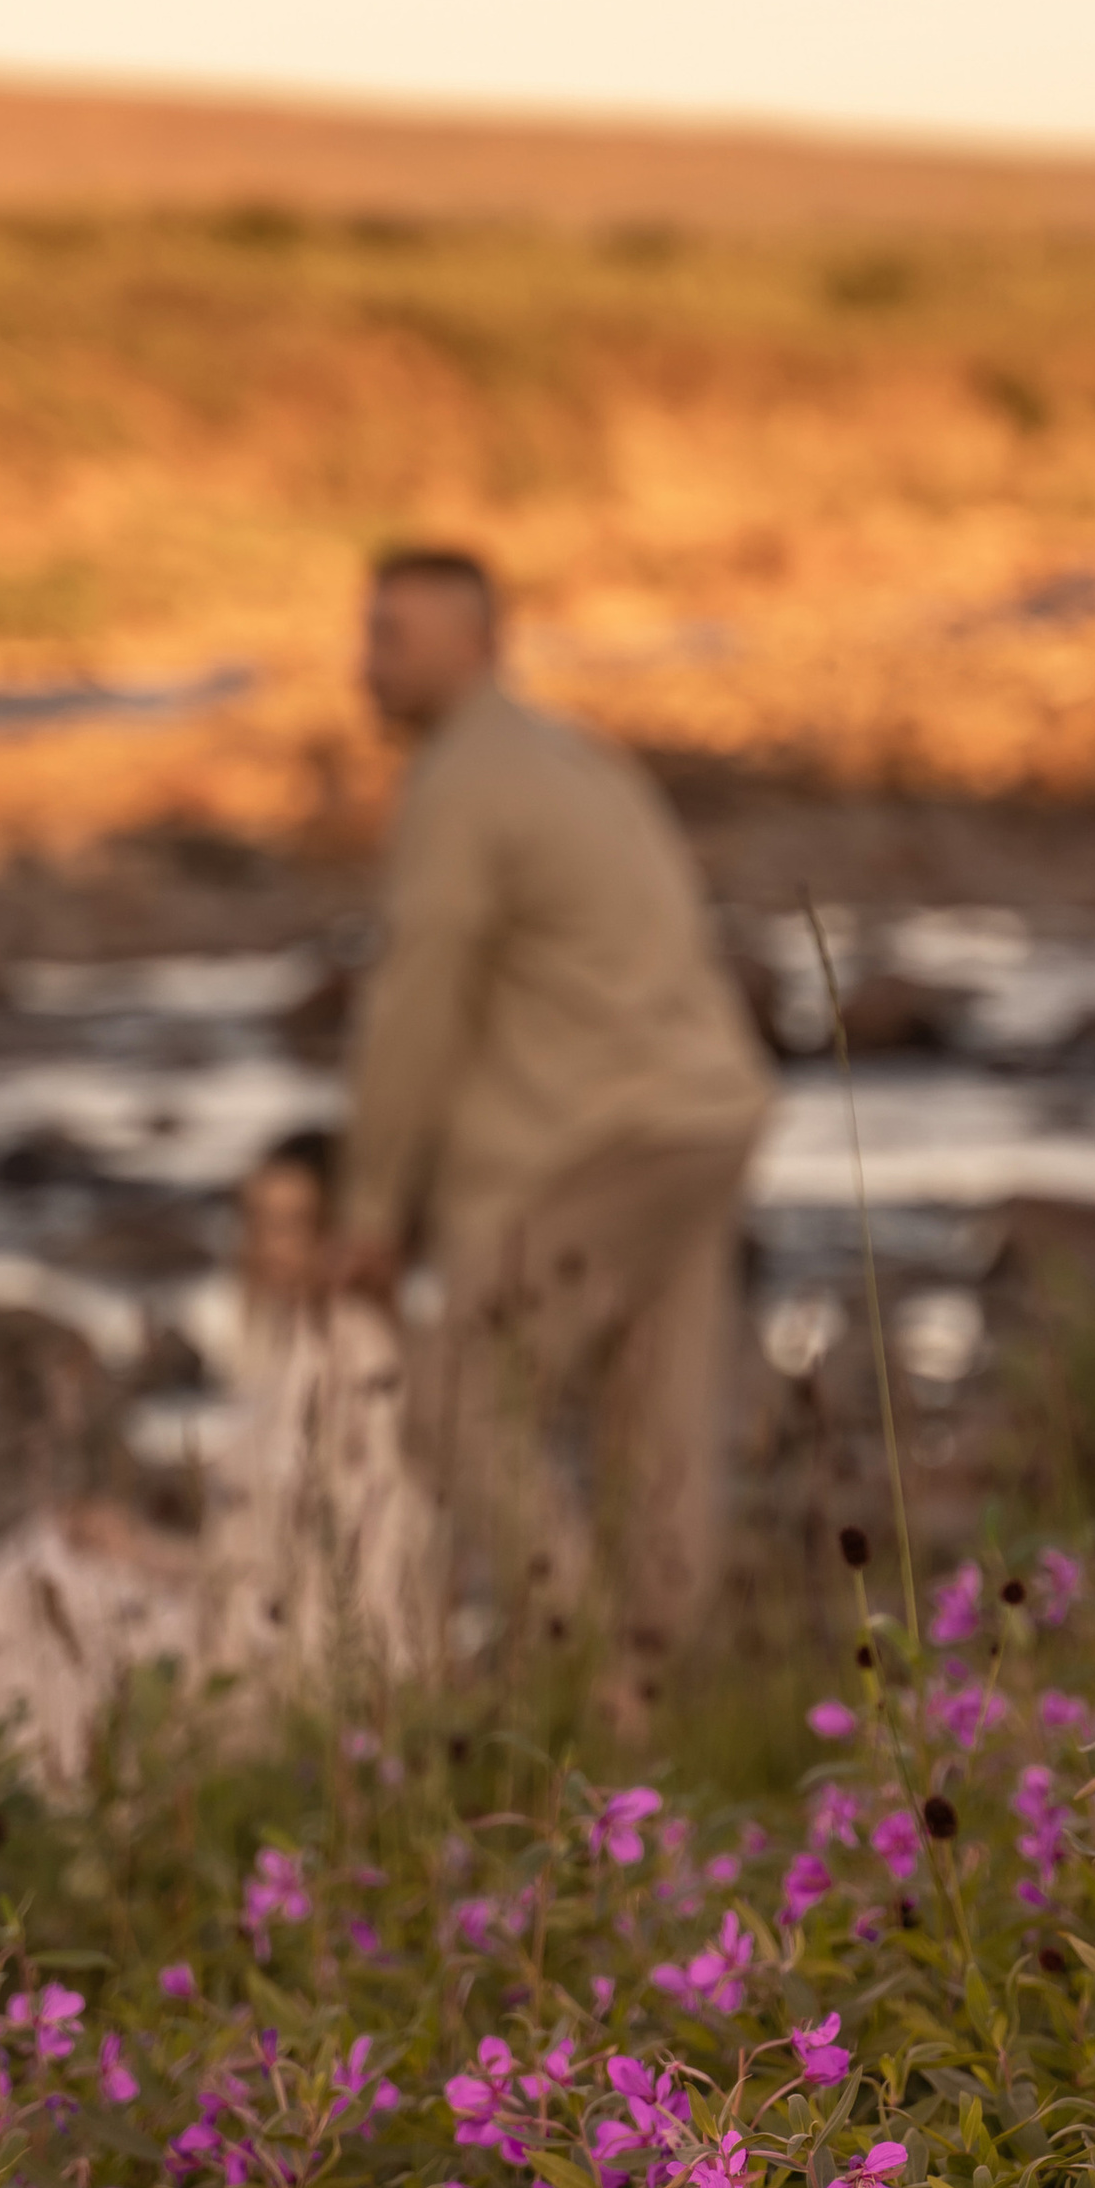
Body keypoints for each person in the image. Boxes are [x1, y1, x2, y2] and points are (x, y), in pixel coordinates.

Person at [336, 547, 773, 1715]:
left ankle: (589, 1680)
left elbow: (416, 997)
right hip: (706, 1114)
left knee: (453, 1393)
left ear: (474, 643)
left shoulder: (461, 780)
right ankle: (660, 1706)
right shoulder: (573, 759)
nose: (370, 661)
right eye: (370, 633)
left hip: (610, 1134)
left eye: (396, 636)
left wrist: (375, 1206)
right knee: (657, 1417)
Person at [0, 1130, 430, 1793]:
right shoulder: (299, 1344)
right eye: (256, 1222)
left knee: (27, 1577)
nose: (267, 1249)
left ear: (339, 1235)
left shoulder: (353, 1354)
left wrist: (154, 1560)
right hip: (245, 1622)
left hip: (275, 1662)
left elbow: (336, 1566)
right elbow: (263, 1552)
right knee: (46, 1555)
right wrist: (142, 1548)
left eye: (293, 1227)